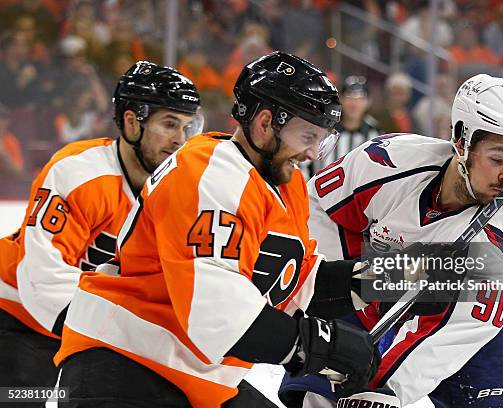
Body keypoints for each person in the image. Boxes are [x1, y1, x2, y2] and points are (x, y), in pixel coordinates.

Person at [54, 52, 379, 408]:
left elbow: (298, 282)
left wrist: (405, 274)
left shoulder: (287, 186)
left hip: (194, 375)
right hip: (124, 363)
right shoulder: (208, 170)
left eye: (322, 139)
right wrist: (320, 344)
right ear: (266, 122)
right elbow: (214, 311)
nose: (313, 152)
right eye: (307, 135)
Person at [279, 74, 503, 407]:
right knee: (314, 400)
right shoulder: (385, 162)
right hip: (374, 291)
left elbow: (450, 335)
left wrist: (384, 390)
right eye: (498, 159)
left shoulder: (501, 235)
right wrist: (349, 288)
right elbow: (317, 209)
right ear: (461, 142)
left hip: (457, 329)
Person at [0, 61, 202, 396]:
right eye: (169, 124)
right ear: (131, 122)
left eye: (186, 126)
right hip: (17, 315)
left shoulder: (178, 191)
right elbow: (43, 278)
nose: (179, 139)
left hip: (88, 327)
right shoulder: (81, 173)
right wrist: (113, 335)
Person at [304, 75, 380, 178]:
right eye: (349, 97)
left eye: (360, 98)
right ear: (341, 100)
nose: (354, 104)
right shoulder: (324, 129)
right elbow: (308, 164)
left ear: (368, 102)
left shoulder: (376, 133)